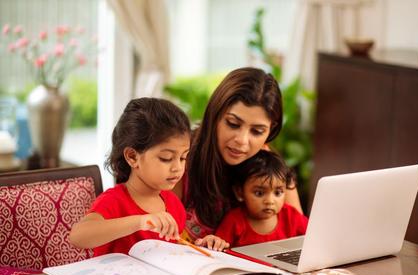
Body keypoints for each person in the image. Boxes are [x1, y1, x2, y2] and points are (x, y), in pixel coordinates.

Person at [173, 67, 303, 250]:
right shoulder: (180, 158)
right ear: (215, 115)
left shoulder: (270, 166)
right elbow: (156, 237)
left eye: (257, 131)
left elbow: (300, 237)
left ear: (271, 130)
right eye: (233, 124)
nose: (241, 141)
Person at [69, 97, 191, 256]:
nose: (178, 168)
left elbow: (178, 248)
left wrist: (202, 246)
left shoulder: (174, 204)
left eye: (183, 158)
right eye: (166, 158)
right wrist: (139, 222)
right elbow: (78, 236)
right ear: (132, 157)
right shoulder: (114, 201)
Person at [215, 150, 308, 247]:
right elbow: (218, 249)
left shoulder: (291, 217)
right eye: (259, 193)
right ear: (240, 192)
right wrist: (216, 242)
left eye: (278, 193)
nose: (270, 201)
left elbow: (315, 236)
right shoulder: (234, 221)